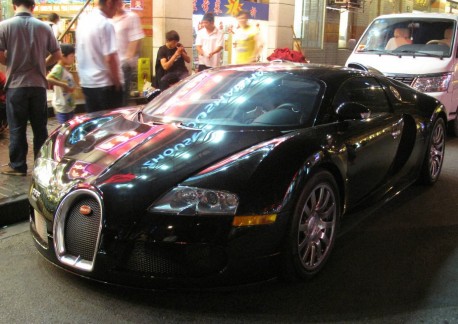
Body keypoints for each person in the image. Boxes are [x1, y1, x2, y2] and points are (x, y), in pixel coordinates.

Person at [0, 0, 61, 176]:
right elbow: (57, 55)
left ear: (14, 6)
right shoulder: (44, 27)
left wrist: (12, 62)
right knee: (40, 128)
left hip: (16, 85)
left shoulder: (4, 26)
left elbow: (0, 55)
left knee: (17, 127)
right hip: (38, 86)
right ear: (33, 6)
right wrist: (42, 63)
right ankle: (41, 165)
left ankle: (18, 166)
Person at [76, 0, 124, 113]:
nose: (118, 9)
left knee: (94, 125)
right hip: (105, 85)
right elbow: (110, 58)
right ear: (109, 3)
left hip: (88, 84)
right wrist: (117, 83)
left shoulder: (83, 21)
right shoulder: (105, 24)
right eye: (117, 5)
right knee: (110, 126)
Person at [112, 2, 145, 106]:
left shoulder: (131, 17)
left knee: (120, 100)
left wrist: (127, 60)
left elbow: (136, 41)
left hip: (123, 66)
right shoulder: (107, 19)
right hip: (109, 66)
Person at [46, 44, 76, 124]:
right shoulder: (58, 68)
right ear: (63, 56)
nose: (74, 58)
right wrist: (64, 85)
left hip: (68, 105)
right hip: (62, 106)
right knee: (65, 129)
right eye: (72, 56)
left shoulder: (64, 68)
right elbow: (48, 78)